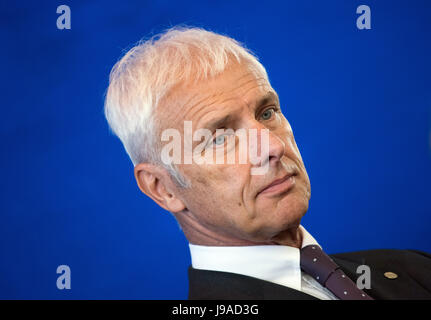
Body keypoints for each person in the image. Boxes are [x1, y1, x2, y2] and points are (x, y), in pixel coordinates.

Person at [104, 26, 431, 300]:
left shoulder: (413, 269)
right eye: (219, 137)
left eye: (267, 113)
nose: (272, 146)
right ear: (163, 189)